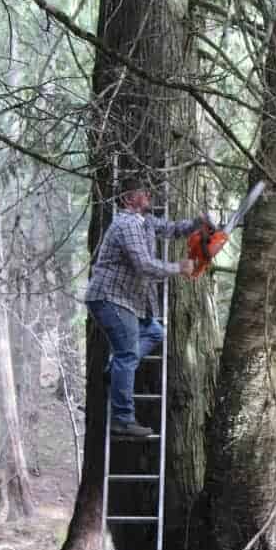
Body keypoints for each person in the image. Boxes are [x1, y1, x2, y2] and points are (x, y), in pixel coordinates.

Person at [85, 184, 201, 437]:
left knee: (154, 331)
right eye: (143, 192)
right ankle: (123, 420)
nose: (149, 195)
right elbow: (144, 265)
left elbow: (170, 228)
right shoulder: (126, 224)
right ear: (129, 198)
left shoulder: (144, 221)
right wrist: (178, 268)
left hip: (125, 302)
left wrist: (198, 223)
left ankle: (114, 372)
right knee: (127, 355)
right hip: (110, 298)